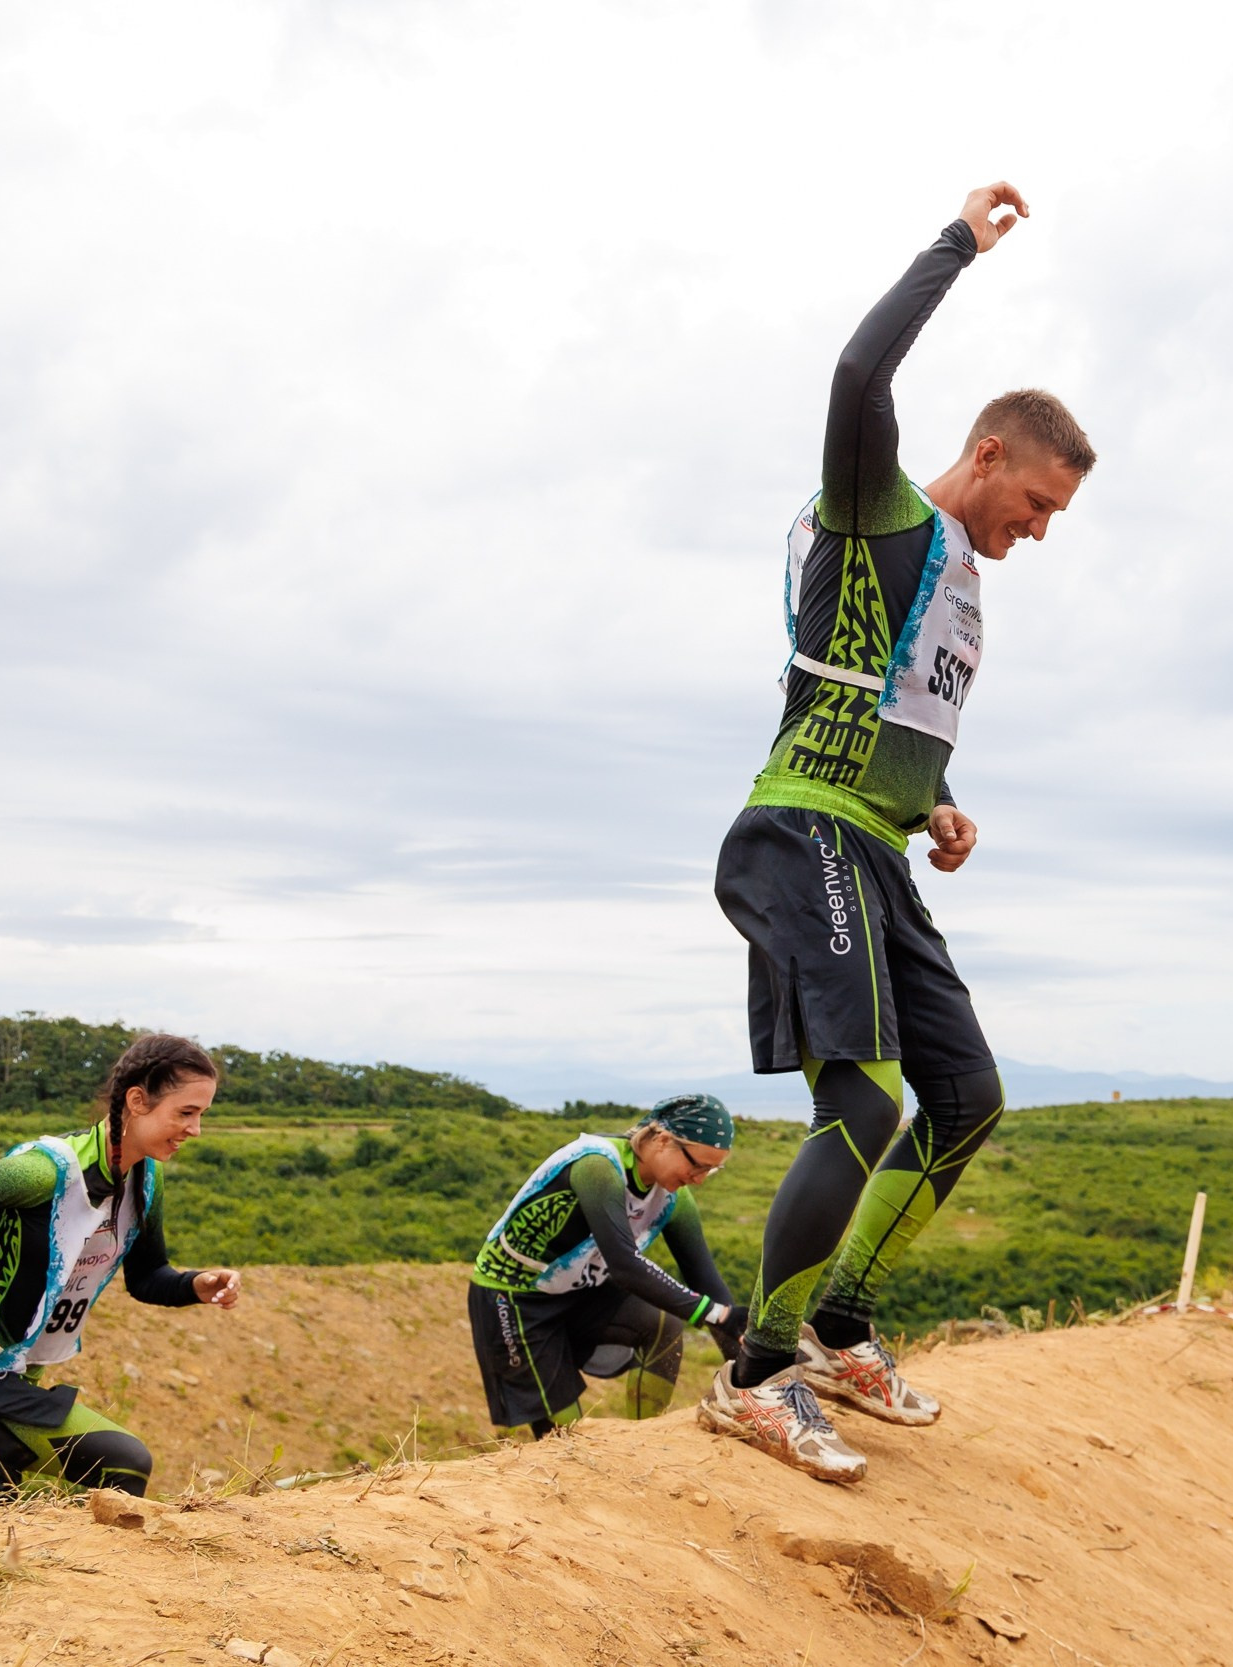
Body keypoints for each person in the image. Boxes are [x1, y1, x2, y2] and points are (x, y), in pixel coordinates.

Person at [700, 181, 1096, 1483]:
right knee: (864, 1098)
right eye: (1035, 503)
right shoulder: (882, 512)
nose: (1036, 532)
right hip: (795, 828)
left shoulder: (961, 585)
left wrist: (938, 806)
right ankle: (755, 1377)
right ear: (989, 455)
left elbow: (893, 716)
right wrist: (958, 246)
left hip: (869, 842)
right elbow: (858, 366)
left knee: (967, 1094)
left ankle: (837, 1323)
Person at [0, 1034, 242, 1501]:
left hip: (8, 1381)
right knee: (124, 1461)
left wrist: (194, 1286)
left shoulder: (144, 1178)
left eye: (202, 1114)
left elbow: (147, 1277)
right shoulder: (43, 1173)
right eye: (186, 1112)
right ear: (138, 1101)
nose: (196, 1129)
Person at [468, 1094, 745, 1441]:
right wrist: (716, 1314)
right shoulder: (598, 1166)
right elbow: (626, 1266)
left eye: (711, 1169)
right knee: (566, 1440)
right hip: (514, 1297)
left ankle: (649, 1445)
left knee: (663, 1326)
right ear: (662, 1140)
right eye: (697, 1165)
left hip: (578, 1291)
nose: (700, 1178)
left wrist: (747, 1361)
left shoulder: (674, 1199)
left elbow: (705, 1280)